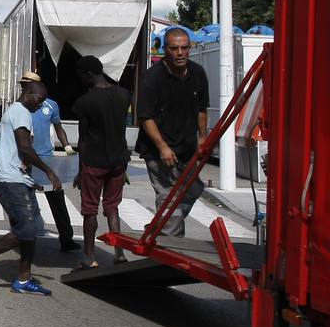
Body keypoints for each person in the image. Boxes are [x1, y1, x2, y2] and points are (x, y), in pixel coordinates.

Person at [0, 74, 61, 296]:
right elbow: (25, 148)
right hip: (10, 182)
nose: (40, 105)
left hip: (17, 179)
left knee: (32, 231)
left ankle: (23, 279)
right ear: (28, 95)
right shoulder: (20, 113)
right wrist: (49, 172)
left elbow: (3, 151)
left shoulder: (20, 113)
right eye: (39, 100)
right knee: (26, 230)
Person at [135, 27, 209, 236]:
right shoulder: (152, 77)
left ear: (189, 48)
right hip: (158, 149)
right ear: (165, 50)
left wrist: (202, 138)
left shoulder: (197, 73)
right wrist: (162, 147)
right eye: (174, 48)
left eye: (184, 48)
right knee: (169, 198)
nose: (179, 53)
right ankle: (171, 247)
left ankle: (161, 225)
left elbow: (201, 108)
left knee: (193, 189)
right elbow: (145, 117)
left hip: (186, 148)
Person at [72, 55, 133, 267]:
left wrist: (80, 171)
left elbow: (83, 140)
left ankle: (89, 256)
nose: (80, 79)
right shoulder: (124, 94)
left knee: (90, 210)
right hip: (118, 161)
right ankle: (119, 253)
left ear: (89, 74)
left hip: (94, 162)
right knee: (112, 207)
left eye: (81, 75)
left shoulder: (85, 102)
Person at [28, 91, 79, 253]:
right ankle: (22, 238)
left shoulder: (50, 105)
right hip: (26, 158)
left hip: (46, 159)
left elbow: (58, 128)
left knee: (57, 198)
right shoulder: (20, 106)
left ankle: (66, 238)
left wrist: (68, 147)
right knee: (24, 199)